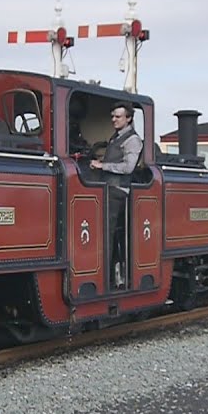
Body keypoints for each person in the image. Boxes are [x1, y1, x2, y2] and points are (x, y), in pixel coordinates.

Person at [90, 103, 142, 287]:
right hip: (108, 188)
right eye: (113, 116)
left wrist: (102, 166)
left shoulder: (133, 140)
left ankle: (107, 278)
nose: (114, 120)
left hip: (118, 191)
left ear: (128, 118)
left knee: (106, 232)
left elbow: (128, 168)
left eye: (118, 117)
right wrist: (101, 161)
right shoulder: (116, 138)